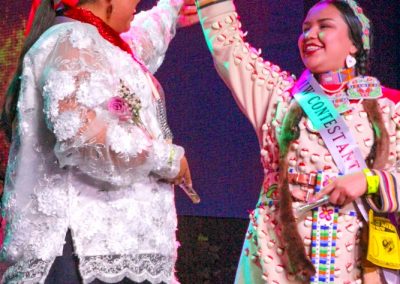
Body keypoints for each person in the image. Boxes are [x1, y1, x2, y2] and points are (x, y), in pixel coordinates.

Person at [196, 0, 400, 283]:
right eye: (306, 28)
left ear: (354, 44)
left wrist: (369, 181)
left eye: (324, 26)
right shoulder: (277, 97)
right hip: (276, 257)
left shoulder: (387, 111)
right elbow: (229, 46)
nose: (310, 35)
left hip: (352, 260)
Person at [0, 0, 198, 283]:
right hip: (81, 253)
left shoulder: (98, 43)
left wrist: (171, 8)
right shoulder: (71, 40)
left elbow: (140, 40)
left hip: (114, 253)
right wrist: (165, 159)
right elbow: (80, 133)